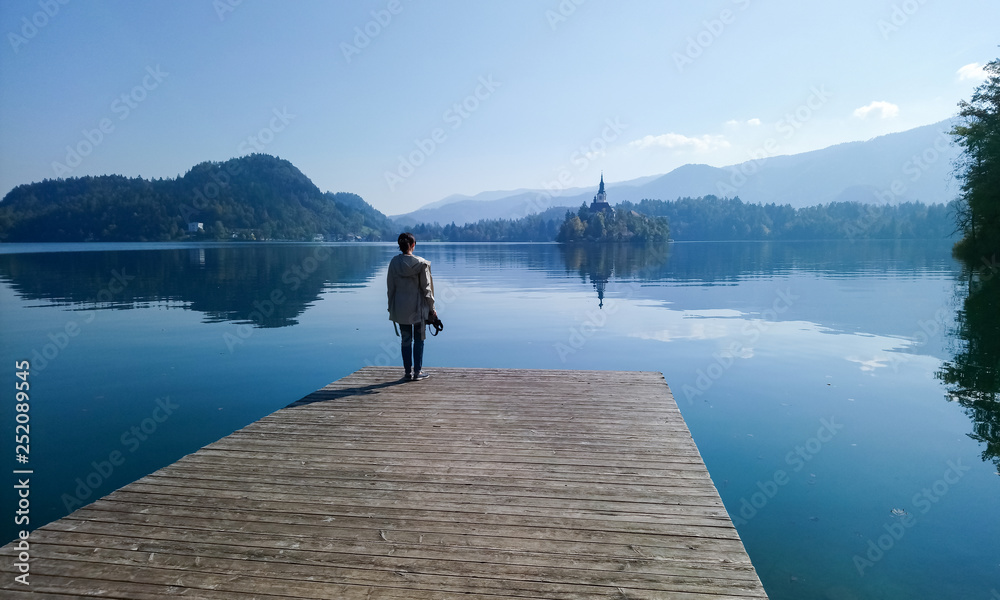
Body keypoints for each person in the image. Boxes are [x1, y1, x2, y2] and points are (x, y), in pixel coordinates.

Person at [387, 232, 437, 381]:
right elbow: (426, 289)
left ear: (400, 246)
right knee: (419, 339)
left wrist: (391, 307)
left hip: (401, 308)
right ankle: (418, 372)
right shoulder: (421, 264)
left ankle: (408, 372)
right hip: (418, 309)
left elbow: (390, 288)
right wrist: (432, 308)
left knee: (405, 340)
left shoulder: (394, 263)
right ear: (413, 245)